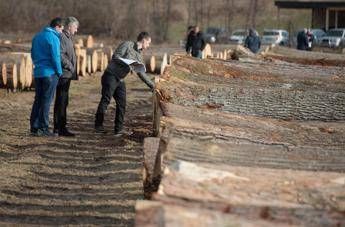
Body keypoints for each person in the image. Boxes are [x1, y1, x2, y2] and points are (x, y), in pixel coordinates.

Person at [94, 32, 154, 136]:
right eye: (148, 43)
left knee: (122, 104)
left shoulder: (139, 55)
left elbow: (140, 73)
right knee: (105, 100)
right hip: (110, 76)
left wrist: (152, 85)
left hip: (120, 80)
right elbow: (116, 57)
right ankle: (98, 126)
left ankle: (118, 129)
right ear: (143, 40)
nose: (148, 46)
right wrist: (129, 62)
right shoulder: (127, 45)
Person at [30, 17, 63, 136]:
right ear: (57, 27)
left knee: (38, 100)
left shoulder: (37, 36)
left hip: (38, 73)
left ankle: (34, 127)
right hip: (50, 73)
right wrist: (59, 72)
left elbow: (32, 53)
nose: (61, 32)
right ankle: (43, 128)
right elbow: (56, 57)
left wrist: (38, 65)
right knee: (46, 101)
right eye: (61, 29)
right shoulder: (53, 37)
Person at [53, 17, 79, 137]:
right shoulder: (63, 37)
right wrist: (70, 66)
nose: (76, 30)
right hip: (64, 74)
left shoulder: (68, 37)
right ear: (69, 26)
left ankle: (59, 127)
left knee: (63, 101)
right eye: (75, 27)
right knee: (61, 101)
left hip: (67, 74)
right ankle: (60, 128)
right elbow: (61, 54)